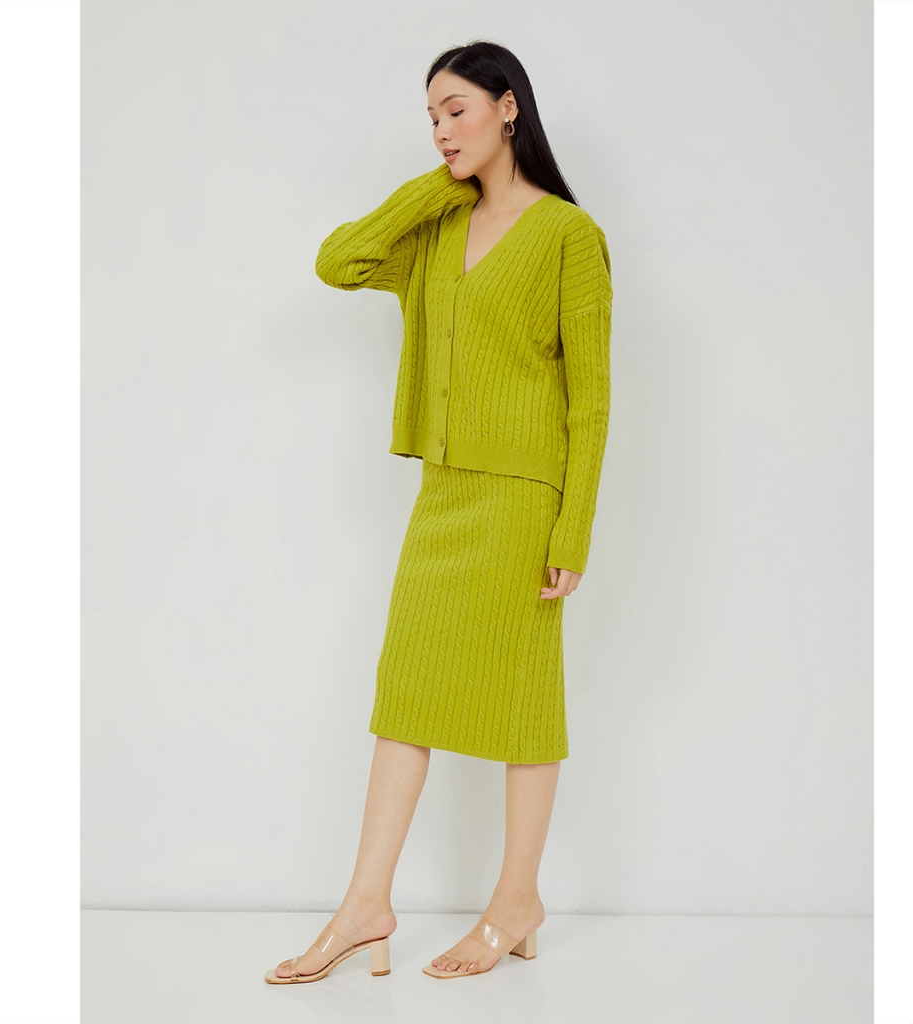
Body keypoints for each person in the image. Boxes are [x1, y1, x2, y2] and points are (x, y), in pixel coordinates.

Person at [265, 39, 612, 984]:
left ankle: (516, 901)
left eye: (457, 110)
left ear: (509, 107)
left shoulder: (568, 235)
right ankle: (366, 906)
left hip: (522, 502)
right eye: (431, 117)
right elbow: (339, 261)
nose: (441, 130)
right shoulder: (436, 227)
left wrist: (572, 529)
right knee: (405, 695)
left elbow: (591, 398)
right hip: (444, 494)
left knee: (522, 703)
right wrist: (439, 186)